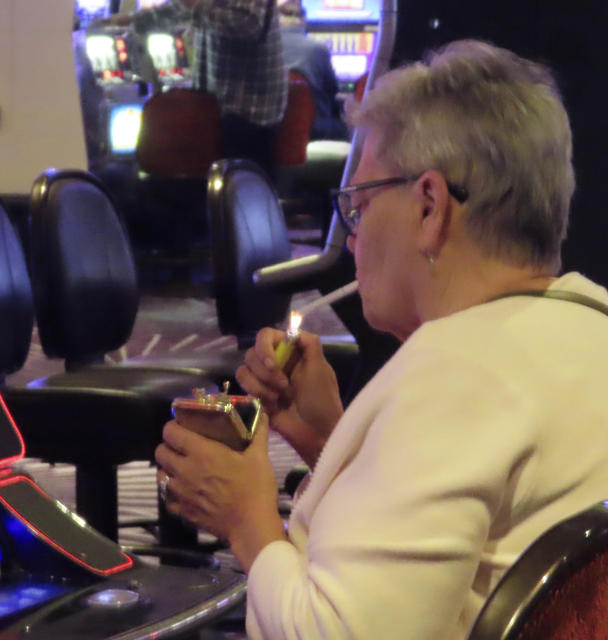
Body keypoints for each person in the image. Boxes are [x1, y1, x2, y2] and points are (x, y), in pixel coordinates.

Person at [154, 40, 608, 639]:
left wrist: (248, 519)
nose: (356, 238)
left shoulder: (455, 372)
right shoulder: (589, 319)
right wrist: (330, 442)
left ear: (429, 206)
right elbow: (453, 545)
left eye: (360, 207)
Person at [106, 0, 288, 177]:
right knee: (217, 188)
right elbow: (183, 8)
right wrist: (132, 21)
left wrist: (197, 5)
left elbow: (249, 24)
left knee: (244, 192)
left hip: (250, 105)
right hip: (218, 102)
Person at [278, 0, 348, 141]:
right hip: (314, 129)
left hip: (272, 129)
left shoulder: (266, 49)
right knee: (350, 124)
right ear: (303, 20)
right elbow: (332, 91)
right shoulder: (318, 48)